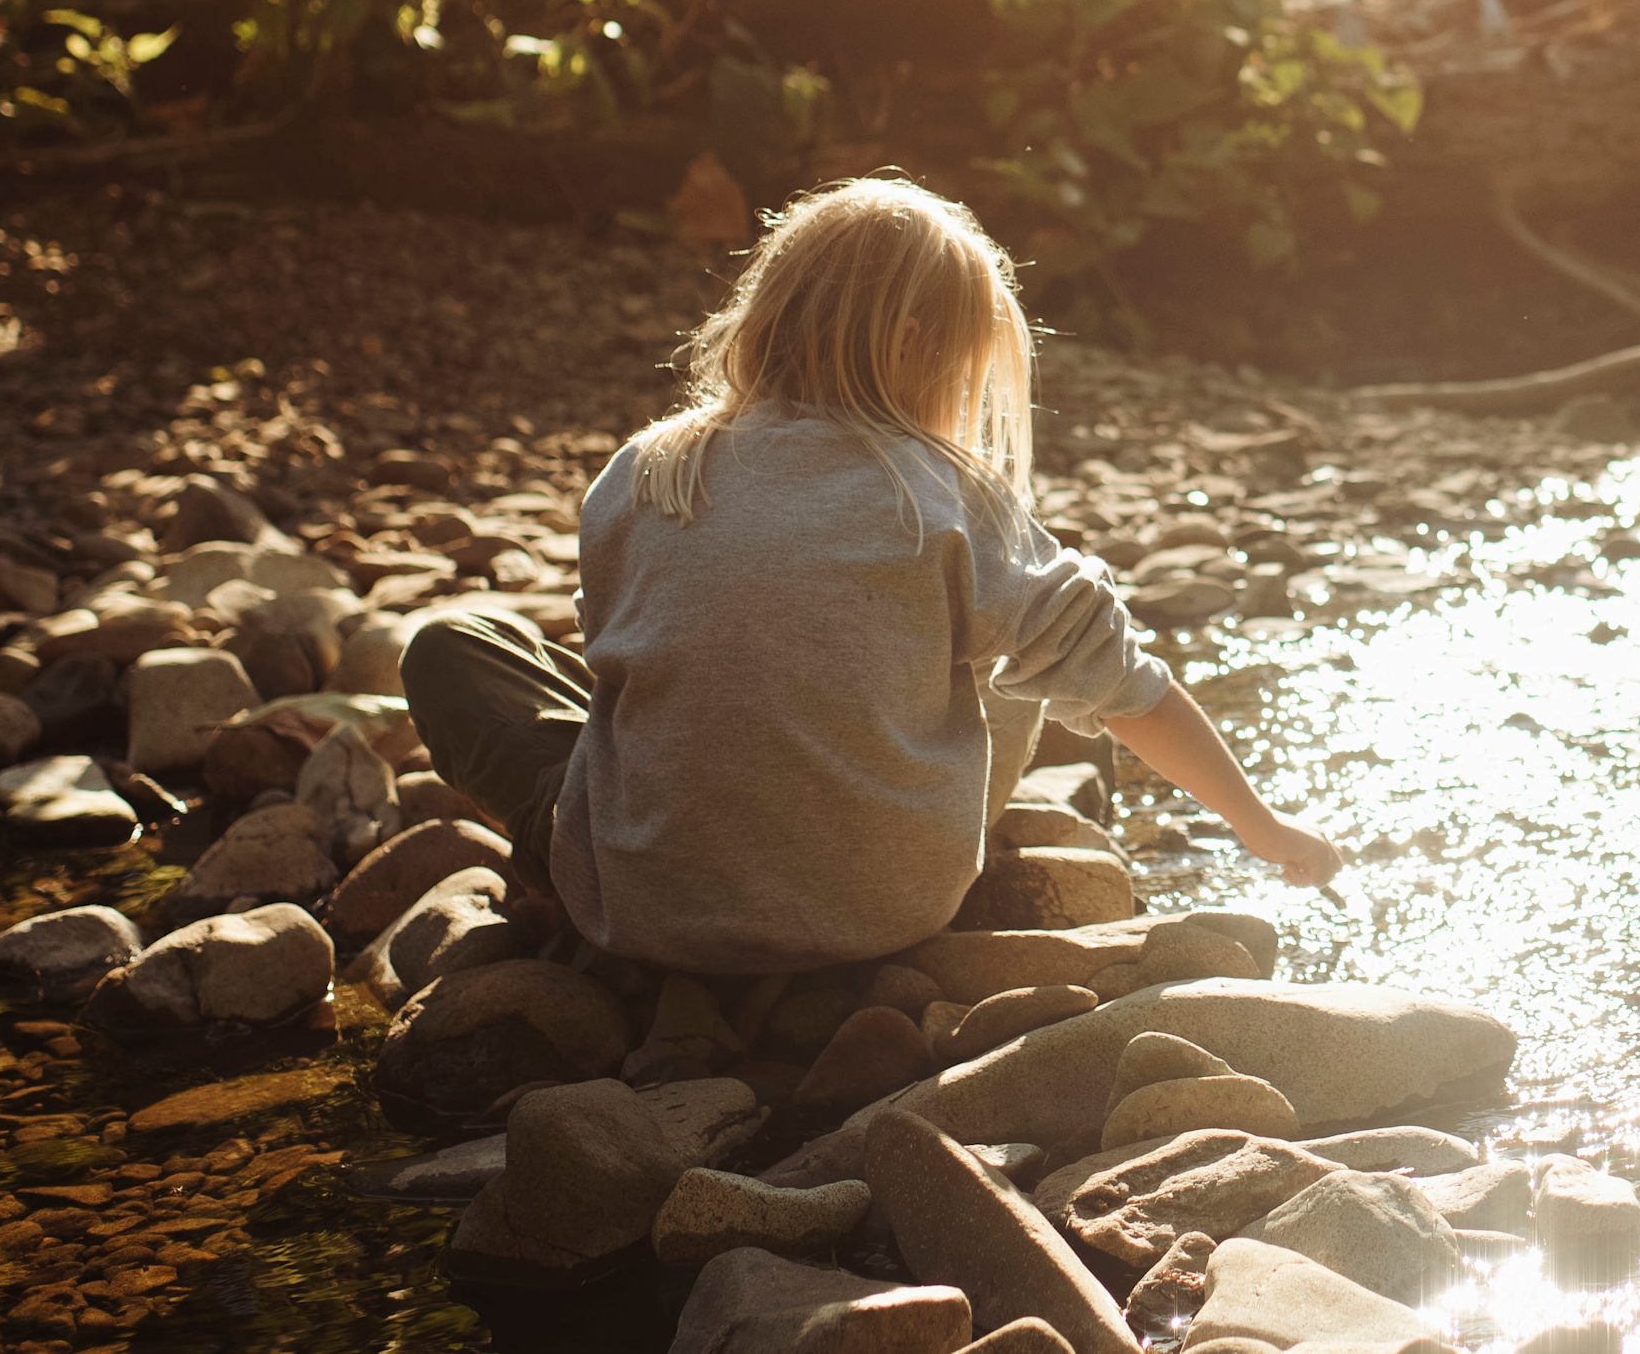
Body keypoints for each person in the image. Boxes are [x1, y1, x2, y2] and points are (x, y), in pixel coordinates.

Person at [400, 173, 1340, 978]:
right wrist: (1266, 828)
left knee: (453, 647)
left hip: (645, 911)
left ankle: (583, 894)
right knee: (1027, 645)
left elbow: (631, 671)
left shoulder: (648, 470)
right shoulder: (942, 493)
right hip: (886, 912)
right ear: (914, 346)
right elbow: (1125, 685)